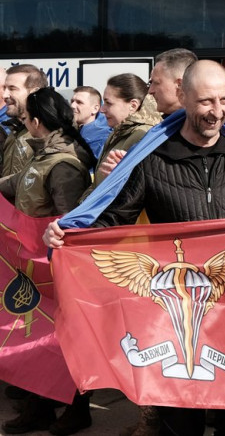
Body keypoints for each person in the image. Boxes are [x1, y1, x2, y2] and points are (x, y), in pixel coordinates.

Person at [44, 60, 225, 436]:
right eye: (206, 101)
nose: (217, 111)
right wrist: (68, 236)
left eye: (223, 100)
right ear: (184, 96)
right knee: (180, 426)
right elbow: (115, 223)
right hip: (172, 325)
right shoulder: (151, 159)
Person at [0, 87, 93, 435]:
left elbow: (69, 221)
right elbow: (18, 183)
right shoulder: (45, 154)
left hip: (53, 265)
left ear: (37, 122)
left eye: (26, 118)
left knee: (63, 341)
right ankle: (39, 407)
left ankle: (77, 410)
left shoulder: (64, 163)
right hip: (33, 263)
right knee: (38, 336)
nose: (24, 123)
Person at [83, 73, 162, 196]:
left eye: (109, 103)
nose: (102, 109)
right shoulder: (118, 132)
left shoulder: (143, 136)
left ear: (133, 105)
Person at [2, 64, 48, 177]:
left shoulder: (52, 132)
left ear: (34, 92)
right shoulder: (13, 129)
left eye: (12, 89)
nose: (5, 95)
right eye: (4, 88)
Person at [148, 48, 197, 117]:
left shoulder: (199, 122)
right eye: (151, 83)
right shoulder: (171, 121)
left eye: (156, 83)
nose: (150, 91)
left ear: (180, 85)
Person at [71, 86, 112, 159]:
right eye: (72, 101)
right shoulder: (69, 130)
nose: (72, 106)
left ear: (95, 109)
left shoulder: (101, 140)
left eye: (79, 102)